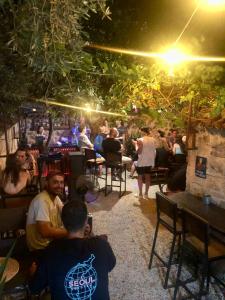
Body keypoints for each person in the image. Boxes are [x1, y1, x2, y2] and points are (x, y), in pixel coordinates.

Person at [29, 200, 116, 300]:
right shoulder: (102, 245)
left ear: (63, 223)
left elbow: (34, 288)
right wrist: (91, 234)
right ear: (86, 221)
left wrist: (33, 274)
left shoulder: (51, 251)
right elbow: (110, 265)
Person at [26, 172, 67, 252]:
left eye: (61, 182)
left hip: (52, 244)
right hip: (40, 248)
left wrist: (80, 226)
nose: (59, 186)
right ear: (46, 183)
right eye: (55, 182)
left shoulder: (56, 198)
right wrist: (71, 232)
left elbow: (67, 214)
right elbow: (45, 232)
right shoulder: (42, 200)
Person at [136, 127, 156, 199]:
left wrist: (135, 145)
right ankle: (146, 194)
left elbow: (139, 151)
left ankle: (140, 194)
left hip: (142, 161)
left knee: (140, 177)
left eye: (141, 132)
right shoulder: (153, 140)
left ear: (143, 132)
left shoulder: (140, 140)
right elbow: (154, 151)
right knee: (148, 177)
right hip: (150, 161)